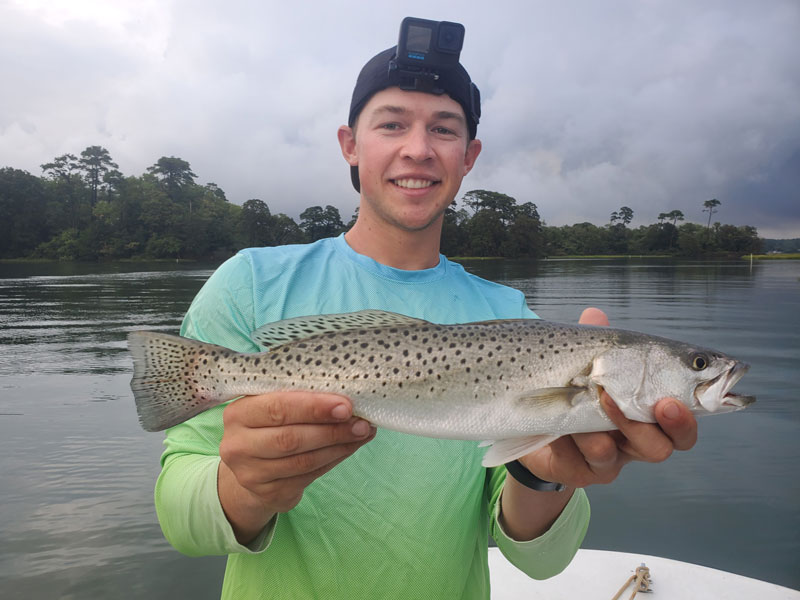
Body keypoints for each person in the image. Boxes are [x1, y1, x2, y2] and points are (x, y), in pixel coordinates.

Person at [153, 19, 697, 599]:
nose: (418, 148)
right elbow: (179, 521)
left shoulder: (510, 313)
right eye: (392, 124)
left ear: (469, 156)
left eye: (443, 128)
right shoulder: (249, 283)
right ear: (350, 145)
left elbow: (541, 563)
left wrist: (543, 474)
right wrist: (249, 489)